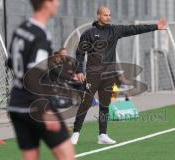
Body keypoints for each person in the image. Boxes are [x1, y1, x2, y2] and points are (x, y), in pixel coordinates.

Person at [71, 6, 167, 145]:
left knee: (105, 105)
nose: (108, 17)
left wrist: (156, 27)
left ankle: (103, 135)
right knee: (85, 103)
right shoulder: (89, 33)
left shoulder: (115, 30)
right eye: (105, 15)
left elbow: (134, 29)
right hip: (93, 75)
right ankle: (76, 133)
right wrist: (80, 70)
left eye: (109, 15)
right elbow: (80, 53)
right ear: (98, 16)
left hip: (109, 75)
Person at [7, 0, 75, 160]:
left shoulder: (21, 29)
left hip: (16, 106)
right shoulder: (41, 35)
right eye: (55, 0)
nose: (58, 3)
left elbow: (10, 62)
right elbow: (34, 75)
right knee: (67, 156)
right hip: (36, 106)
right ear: (46, 3)